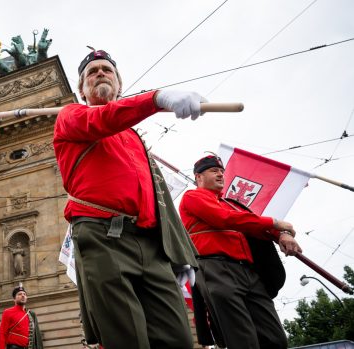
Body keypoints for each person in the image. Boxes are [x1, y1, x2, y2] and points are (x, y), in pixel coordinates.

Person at [53, 48, 204, 349]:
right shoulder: (70, 116)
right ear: (82, 92)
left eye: (107, 70)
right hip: (103, 238)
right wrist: (157, 98)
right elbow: (105, 119)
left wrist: (179, 253)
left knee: (179, 339)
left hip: (151, 245)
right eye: (91, 72)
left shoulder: (135, 139)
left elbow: (158, 197)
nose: (100, 73)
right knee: (127, 340)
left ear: (120, 85)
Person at [179, 154, 303, 349]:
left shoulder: (230, 203)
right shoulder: (192, 197)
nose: (220, 175)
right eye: (214, 171)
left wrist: (283, 234)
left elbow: (252, 223)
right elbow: (224, 219)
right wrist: (276, 222)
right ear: (198, 177)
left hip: (249, 272)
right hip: (216, 269)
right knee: (242, 340)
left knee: (276, 338)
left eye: (221, 171)